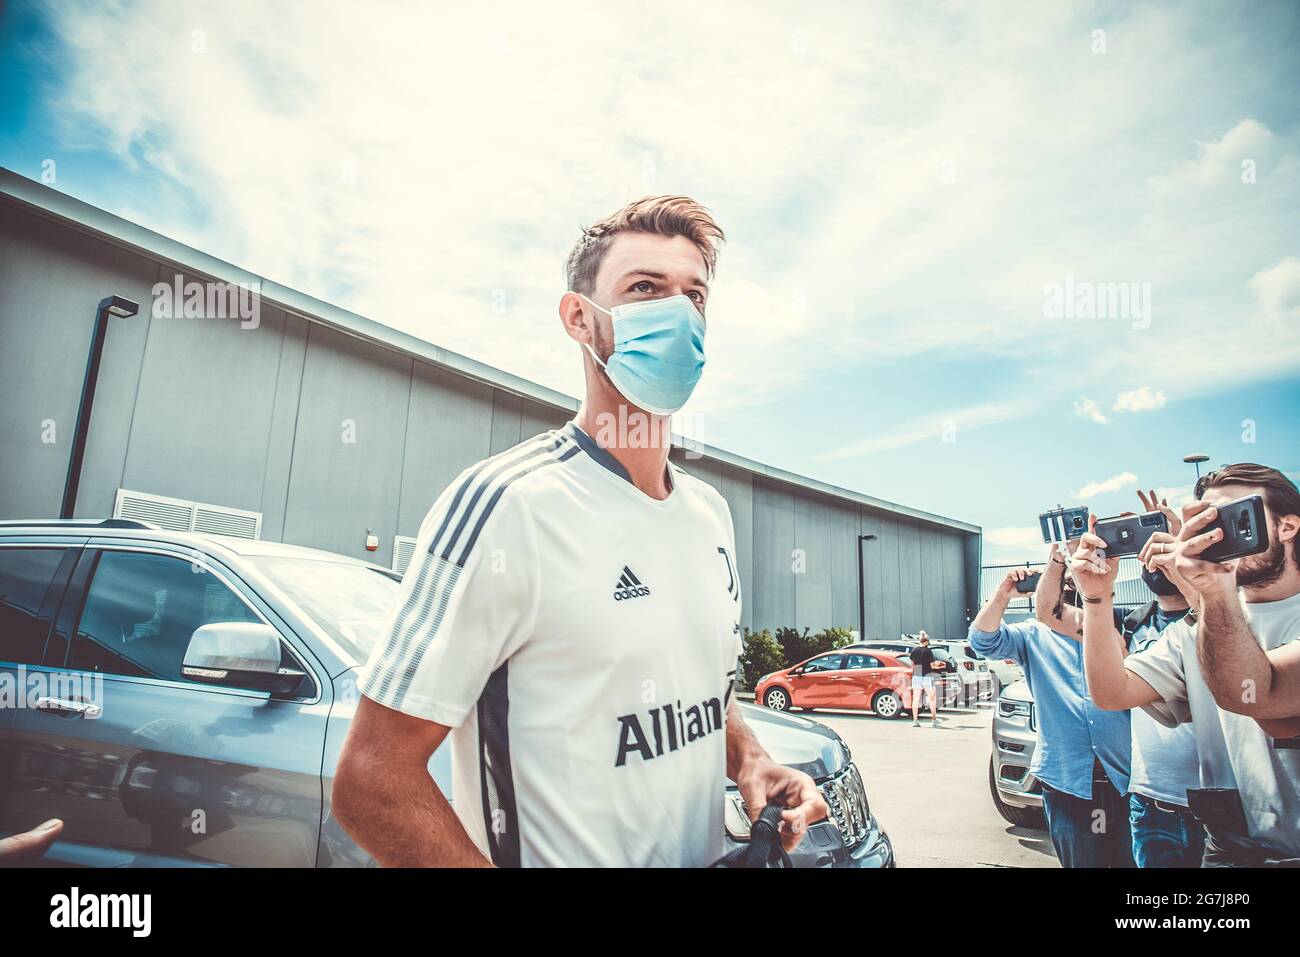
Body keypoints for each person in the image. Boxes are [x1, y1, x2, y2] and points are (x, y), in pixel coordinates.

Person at [331, 196, 827, 867]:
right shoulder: (510, 506)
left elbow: (699, 685)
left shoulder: (710, 513)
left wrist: (752, 757)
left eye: (694, 296)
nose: (677, 314)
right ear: (580, 319)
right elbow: (372, 779)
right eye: (645, 289)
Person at [1075, 463, 1300, 866]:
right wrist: (1096, 598)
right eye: (1205, 521)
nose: (1217, 534)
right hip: (1231, 850)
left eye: (1236, 517)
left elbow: (1254, 697)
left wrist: (1210, 592)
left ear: (1288, 527)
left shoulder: (1212, 610)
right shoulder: (1203, 620)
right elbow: (1112, 692)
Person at [969, 559, 1135, 867]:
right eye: (1067, 578)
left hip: (1126, 778)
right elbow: (982, 641)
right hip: (1068, 782)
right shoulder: (1034, 634)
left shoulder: (1124, 626)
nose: (1074, 582)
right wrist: (1003, 594)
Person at [910, 631, 947, 727]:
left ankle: (915, 721)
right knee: (932, 698)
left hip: (916, 675)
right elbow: (932, 665)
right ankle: (934, 720)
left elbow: (913, 663)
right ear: (926, 641)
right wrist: (940, 665)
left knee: (916, 699)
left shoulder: (914, 650)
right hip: (926, 676)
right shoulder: (928, 651)